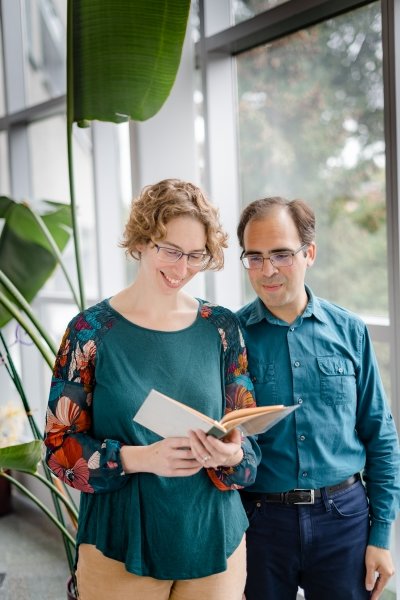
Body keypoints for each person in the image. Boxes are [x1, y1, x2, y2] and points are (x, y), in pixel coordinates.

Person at [44, 178, 261, 600]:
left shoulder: (221, 328)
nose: (181, 268)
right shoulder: (90, 331)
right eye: (170, 250)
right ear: (142, 241)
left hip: (214, 534)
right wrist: (139, 458)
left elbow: (247, 442)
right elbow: (57, 448)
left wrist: (232, 453)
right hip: (120, 538)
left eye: (195, 255)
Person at [236, 196, 400, 600]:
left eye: (281, 254)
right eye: (254, 257)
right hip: (259, 522)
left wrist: (381, 536)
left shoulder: (350, 331)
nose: (267, 270)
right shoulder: (231, 337)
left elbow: (381, 435)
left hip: (344, 520)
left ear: (309, 252)